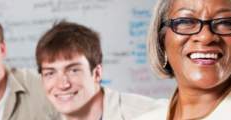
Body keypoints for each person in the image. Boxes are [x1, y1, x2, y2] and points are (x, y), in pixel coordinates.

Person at [35, 21, 168, 120]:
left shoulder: (153, 115)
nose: (62, 85)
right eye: (50, 73)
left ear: (97, 73)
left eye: (73, 70)